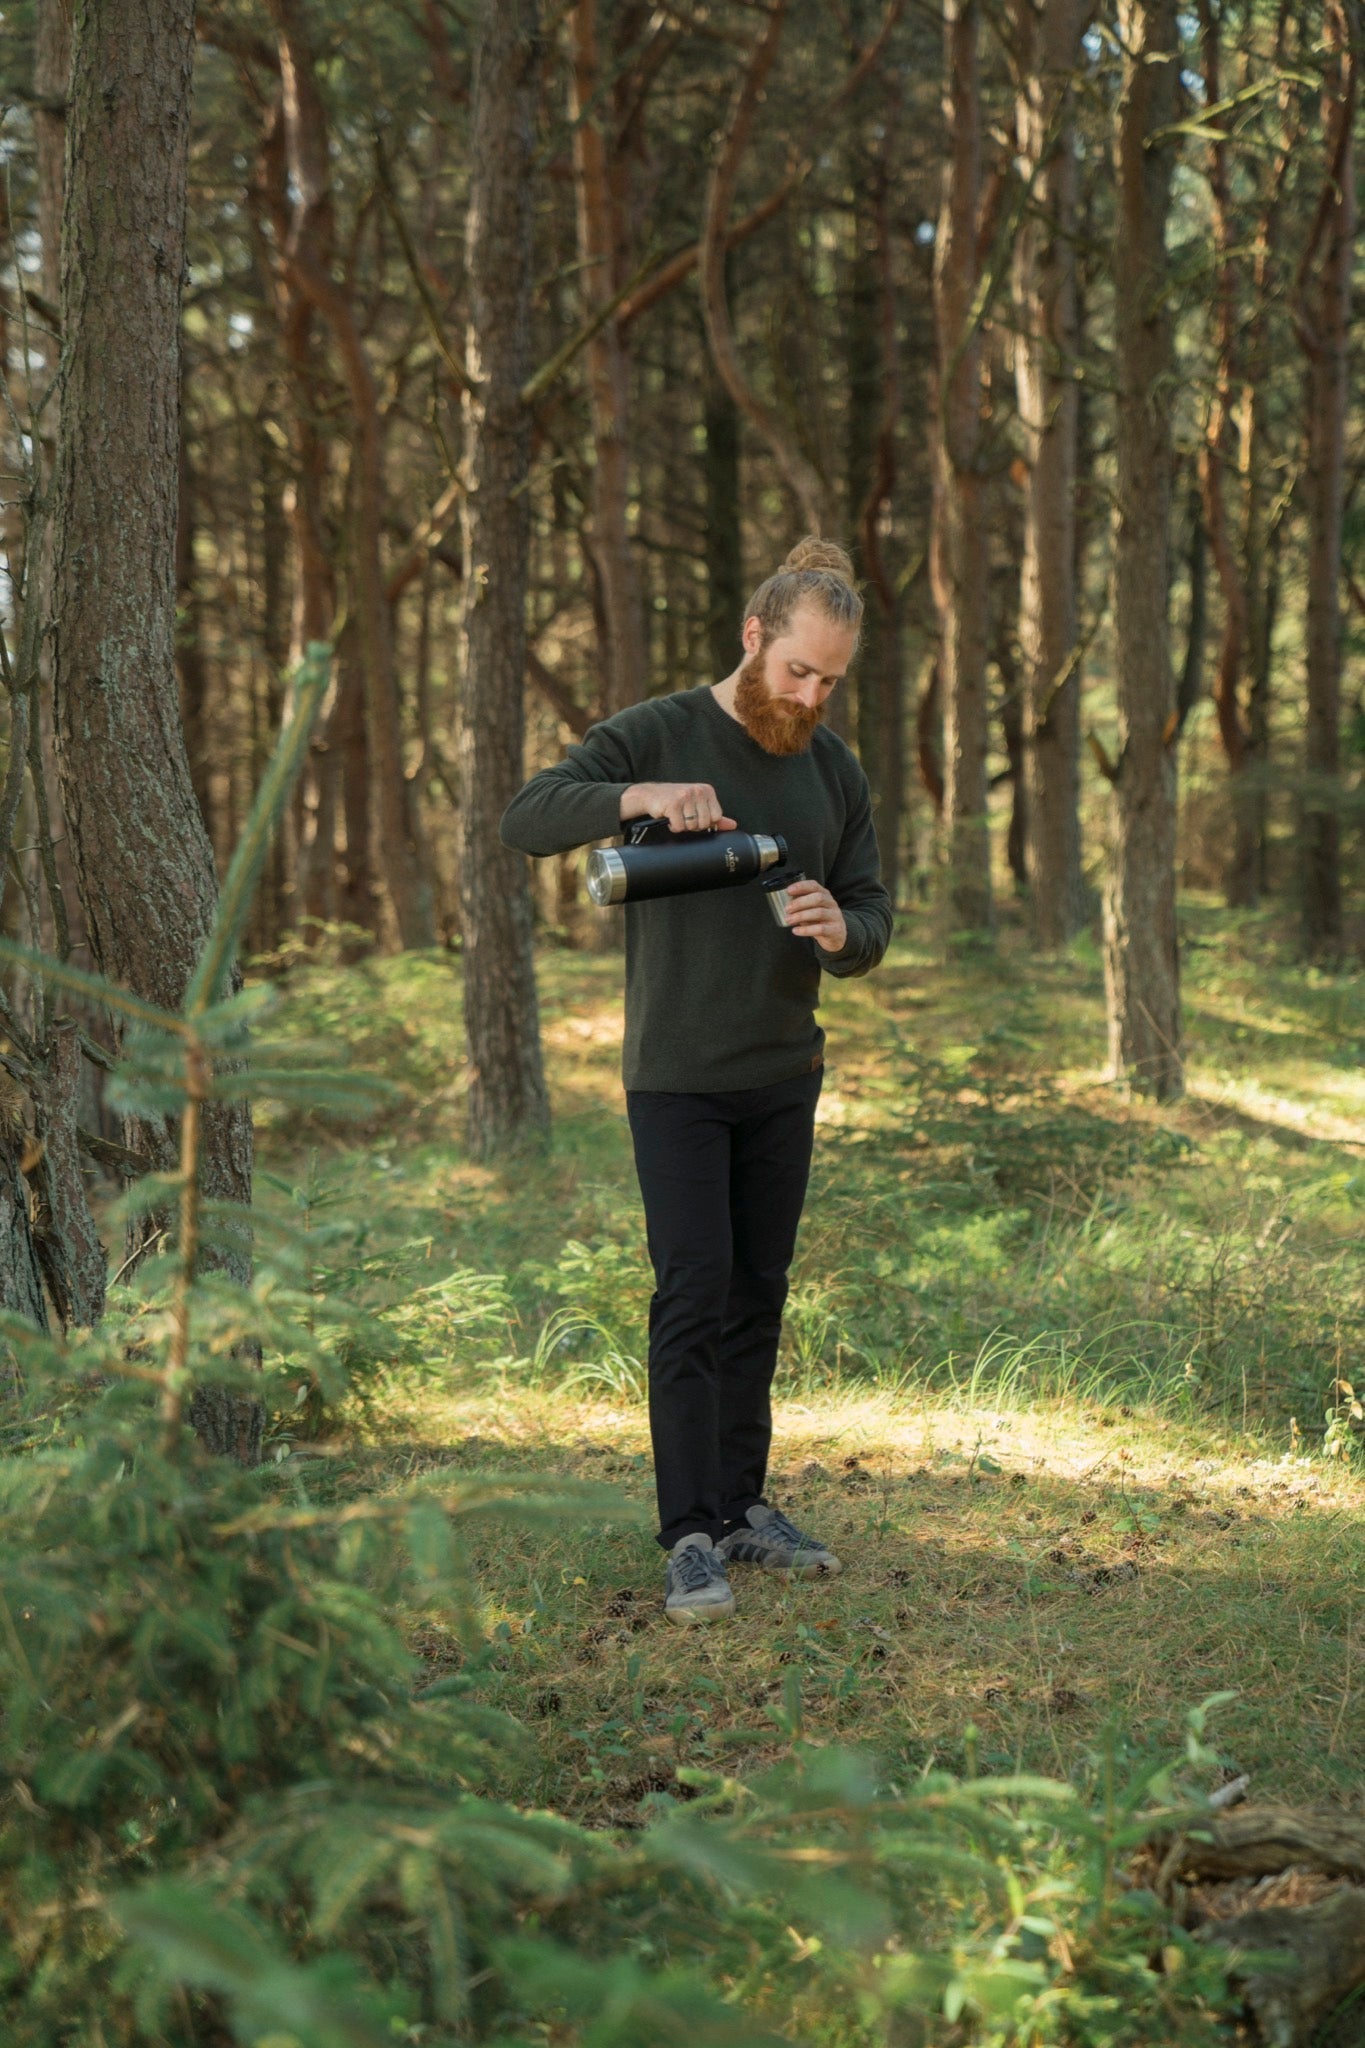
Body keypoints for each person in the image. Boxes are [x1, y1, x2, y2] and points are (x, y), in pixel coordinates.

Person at [500, 537, 893, 1622]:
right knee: (693, 1292)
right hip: (674, 1076)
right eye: (797, 671)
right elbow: (526, 814)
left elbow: (873, 909)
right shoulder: (664, 728)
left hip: (784, 1069)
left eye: (830, 681)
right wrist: (640, 792)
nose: (811, 696)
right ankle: (687, 1535)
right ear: (754, 636)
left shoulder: (833, 768)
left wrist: (840, 930)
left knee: (758, 1292)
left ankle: (742, 1505)